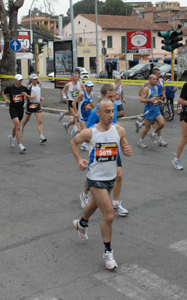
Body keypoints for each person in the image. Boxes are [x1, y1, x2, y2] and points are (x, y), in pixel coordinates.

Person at [71, 99, 132, 270]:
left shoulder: (119, 130)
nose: (111, 114)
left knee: (95, 204)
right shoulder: (90, 133)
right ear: (98, 113)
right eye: (107, 111)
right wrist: (79, 159)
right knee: (109, 215)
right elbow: (73, 142)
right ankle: (108, 252)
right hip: (95, 178)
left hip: (110, 177)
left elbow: (124, 144)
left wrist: (126, 149)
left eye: (112, 111)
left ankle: (81, 223)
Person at [79, 84, 128, 217]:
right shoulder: (97, 111)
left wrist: (124, 145)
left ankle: (116, 203)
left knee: (119, 174)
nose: (113, 99)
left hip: (112, 147)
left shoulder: (114, 107)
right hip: (98, 149)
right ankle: (85, 194)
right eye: (110, 97)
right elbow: (87, 129)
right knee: (92, 173)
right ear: (103, 97)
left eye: (114, 96)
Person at [138, 73, 167, 148]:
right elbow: (141, 99)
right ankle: (141, 141)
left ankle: (153, 134)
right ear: (149, 80)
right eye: (153, 79)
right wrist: (149, 100)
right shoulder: (146, 89)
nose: (155, 80)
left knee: (162, 124)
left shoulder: (156, 88)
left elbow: (156, 98)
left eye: (156, 79)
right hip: (149, 110)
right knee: (147, 128)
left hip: (156, 109)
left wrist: (159, 100)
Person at [2, 74, 29, 154]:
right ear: (15, 80)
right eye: (19, 80)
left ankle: (12, 137)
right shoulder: (10, 88)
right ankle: (20, 145)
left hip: (21, 109)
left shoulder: (23, 88)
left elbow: (28, 95)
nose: (20, 82)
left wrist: (26, 96)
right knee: (18, 126)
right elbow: (3, 93)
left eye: (21, 80)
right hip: (13, 108)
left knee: (16, 126)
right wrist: (6, 99)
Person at [20, 74, 46, 144]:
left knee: (40, 121)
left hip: (37, 104)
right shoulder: (29, 87)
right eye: (34, 79)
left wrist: (40, 98)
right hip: (31, 105)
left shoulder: (38, 86)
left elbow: (37, 94)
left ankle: (41, 136)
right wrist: (31, 97)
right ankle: (22, 128)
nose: (36, 80)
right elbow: (25, 97)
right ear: (31, 80)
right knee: (26, 120)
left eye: (36, 79)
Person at [71, 80, 95, 144]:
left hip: (89, 114)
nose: (91, 88)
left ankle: (76, 130)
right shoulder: (82, 94)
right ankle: (84, 145)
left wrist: (96, 109)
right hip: (82, 115)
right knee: (84, 131)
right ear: (86, 87)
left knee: (88, 130)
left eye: (92, 86)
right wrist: (76, 113)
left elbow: (90, 103)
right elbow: (74, 103)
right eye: (89, 86)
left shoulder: (92, 94)